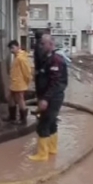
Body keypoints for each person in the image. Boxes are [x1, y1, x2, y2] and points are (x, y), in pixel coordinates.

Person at [29, 34, 68, 162]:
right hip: (51, 97)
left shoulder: (55, 60)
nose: (40, 46)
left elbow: (55, 82)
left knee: (43, 124)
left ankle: (42, 155)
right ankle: (52, 149)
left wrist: (45, 99)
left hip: (52, 98)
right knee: (51, 123)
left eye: (42, 44)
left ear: (50, 45)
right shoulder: (47, 59)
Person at [8, 40, 32, 124]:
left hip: (19, 84)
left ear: (18, 47)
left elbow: (27, 72)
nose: (11, 50)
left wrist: (26, 82)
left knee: (20, 100)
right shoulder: (17, 57)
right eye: (10, 48)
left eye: (13, 48)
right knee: (11, 99)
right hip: (15, 83)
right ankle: (12, 117)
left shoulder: (20, 58)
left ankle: (23, 119)